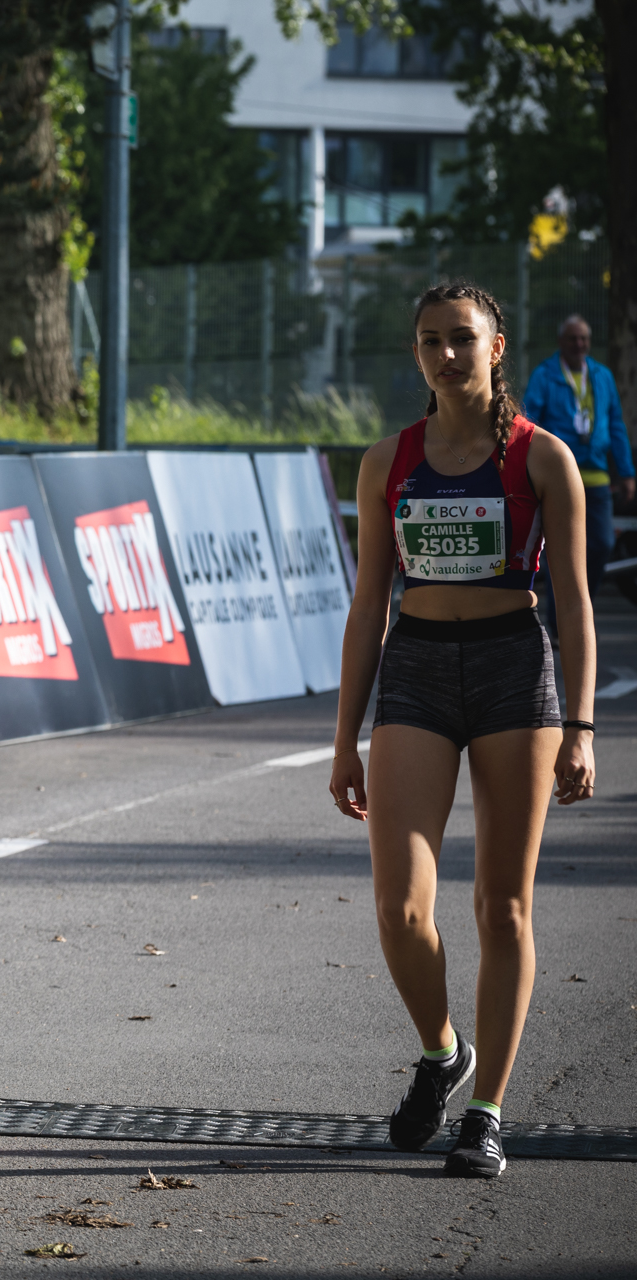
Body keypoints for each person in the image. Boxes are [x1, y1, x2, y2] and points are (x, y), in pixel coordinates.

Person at [329, 281, 597, 1180]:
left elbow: (575, 604)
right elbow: (368, 603)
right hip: (415, 670)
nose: (446, 354)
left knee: (502, 906)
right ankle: (444, 1051)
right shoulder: (388, 461)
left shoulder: (543, 458)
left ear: (496, 347)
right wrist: (344, 739)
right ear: (416, 353)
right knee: (401, 908)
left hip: (512, 669)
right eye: (430, 341)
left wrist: (582, 726)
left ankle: (486, 1113)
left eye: (462, 339)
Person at [520, 314, 633, 599]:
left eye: (583, 338)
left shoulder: (602, 375)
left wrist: (626, 472)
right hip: (559, 476)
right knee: (560, 549)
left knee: (602, 544)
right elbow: (528, 422)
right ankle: (560, 616)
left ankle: (582, 602)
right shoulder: (545, 375)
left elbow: (616, 425)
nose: (579, 344)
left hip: (596, 477)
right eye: (572, 338)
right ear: (561, 341)